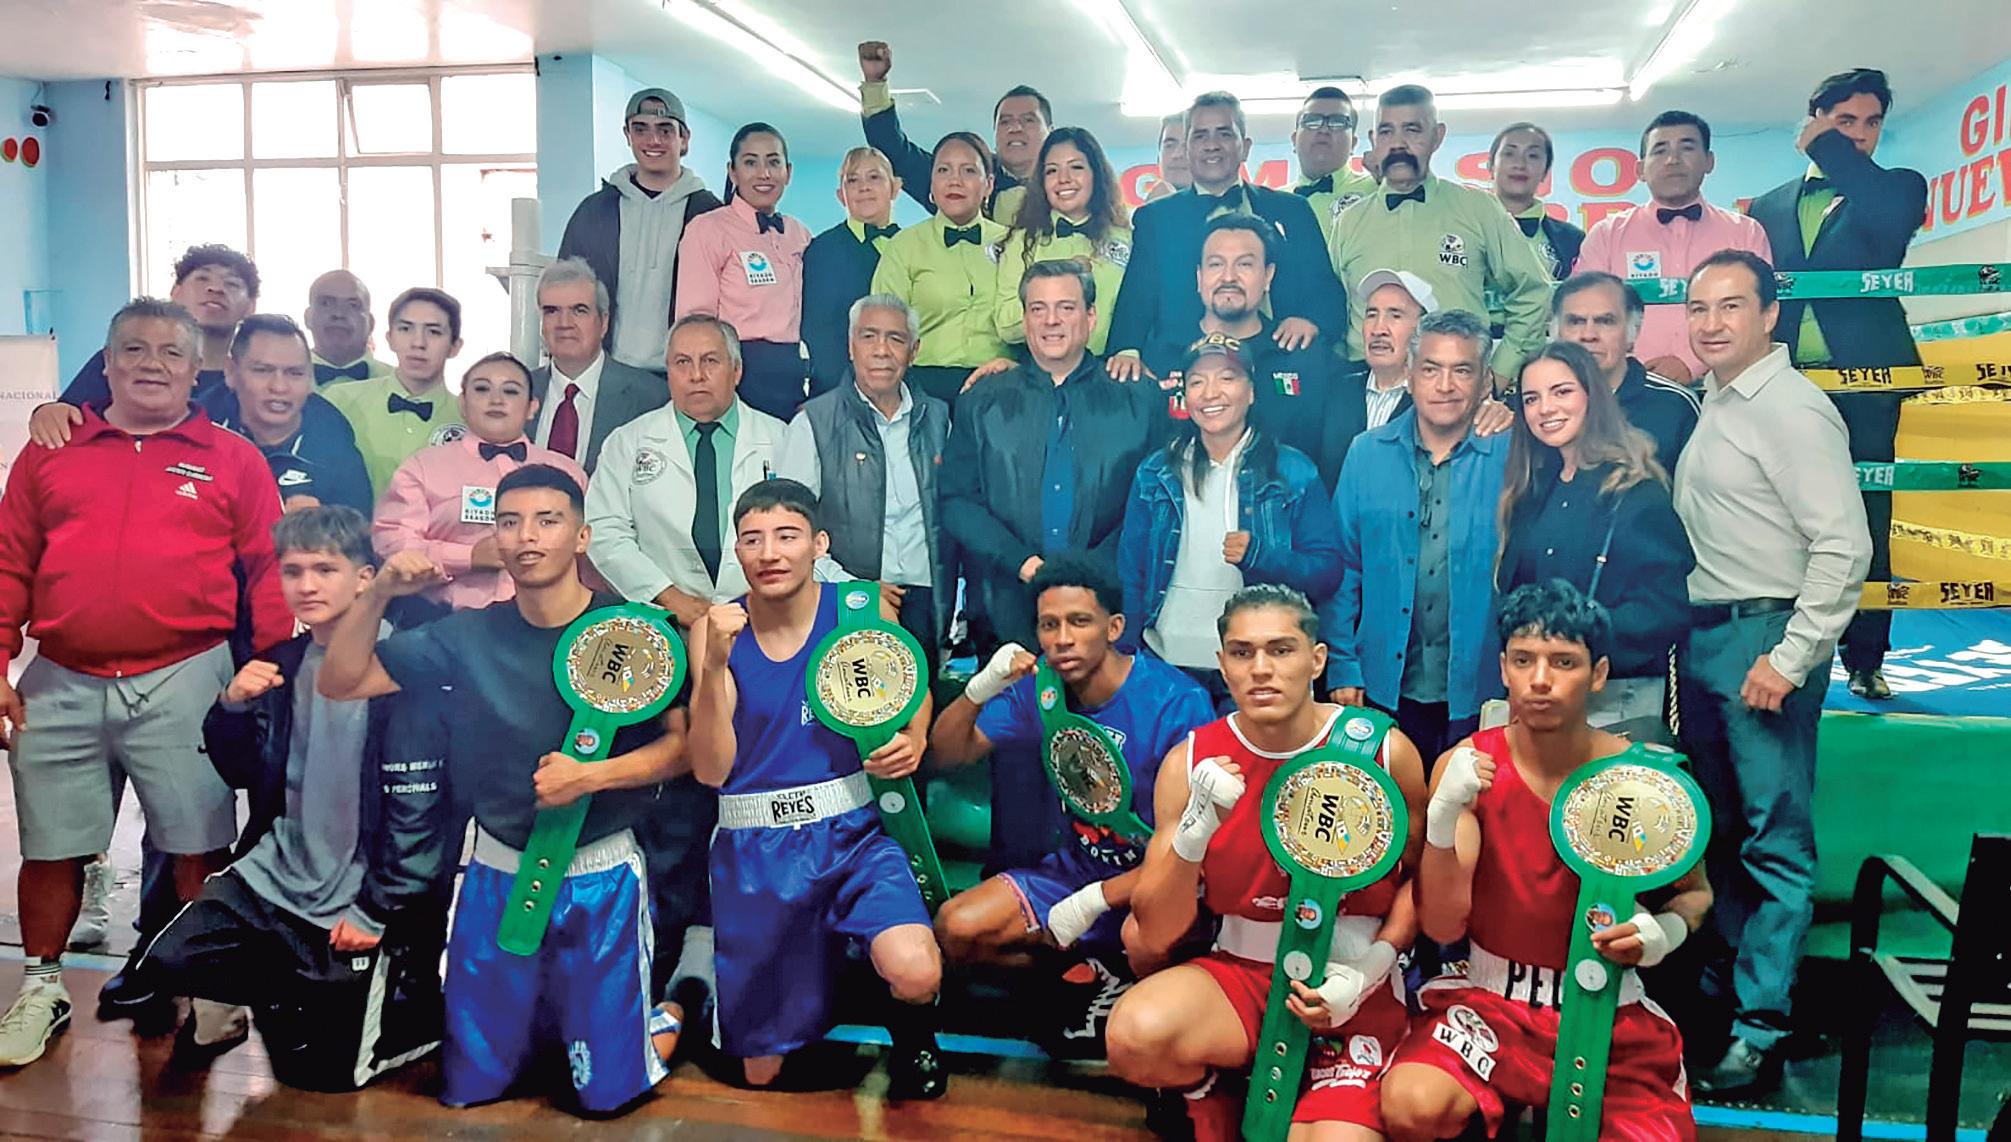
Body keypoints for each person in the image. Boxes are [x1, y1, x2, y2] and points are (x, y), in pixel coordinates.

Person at [316, 464, 688, 1113]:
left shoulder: (633, 632)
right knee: (470, 1089)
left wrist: (592, 775)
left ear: (581, 536)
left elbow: (686, 750)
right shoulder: (468, 634)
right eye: (510, 522)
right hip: (495, 872)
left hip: (602, 874)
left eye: (548, 520)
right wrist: (376, 597)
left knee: (606, 1096)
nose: (527, 537)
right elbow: (341, 681)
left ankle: (673, 1009)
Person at [0, 298, 290, 1068]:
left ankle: (209, 992)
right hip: (61, 676)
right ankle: (42, 987)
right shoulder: (52, 450)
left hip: (187, 673)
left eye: (170, 352)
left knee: (199, 845)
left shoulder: (234, 459)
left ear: (197, 371)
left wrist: (275, 666)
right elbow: (9, 558)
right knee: (51, 847)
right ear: (107, 364)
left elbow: (269, 566)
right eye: (133, 349)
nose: (151, 364)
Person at [1378, 580, 1710, 1142]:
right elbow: (1443, 925)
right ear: (1503, 669)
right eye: (1523, 660)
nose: (1539, 680)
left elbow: (1696, 894)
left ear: (1598, 674)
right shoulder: (1469, 766)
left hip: (1607, 1008)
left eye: (1563, 662)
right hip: (1491, 1005)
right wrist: (1441, 819)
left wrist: (1664, 935)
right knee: (1413, 1104)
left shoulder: (1644, 780)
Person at [1106, 585, 1427, 1142]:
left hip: (1354, 981)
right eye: (1242, 652)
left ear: (1317, 660)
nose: (1260, 669)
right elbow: (1155, 930)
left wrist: (1371, 968)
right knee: (1134, 1035)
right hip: (1244, 971)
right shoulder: (1191, 763)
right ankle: (1215, 1099)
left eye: (1281, 650)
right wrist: (1194, 832)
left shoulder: (1382, 751)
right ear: (1222, 664)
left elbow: (1423, 881)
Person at [136, 507, 443, 1087]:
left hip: (363, 886)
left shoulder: (407, 664)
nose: (306, 585)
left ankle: (396, 1017)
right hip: (277, 870)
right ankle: (297, 993)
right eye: (293, 571)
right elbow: (240, 771)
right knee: (171, 959)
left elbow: (421, 809)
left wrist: (378, 906)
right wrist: (231, 707)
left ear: (365, 579)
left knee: (324, 1077)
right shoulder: (282, 662)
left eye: (325, 569)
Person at [1673, 250, 1869, 1096]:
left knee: (1772, 838)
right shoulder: (1720, 399)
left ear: (1768, 316)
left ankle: (1761, 1026)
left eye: (1729, 306)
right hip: (1710, 637)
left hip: (1763, 637)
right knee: (1722, 829)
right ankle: (1732, 994)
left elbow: (1844, 545)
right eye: (1697, 307)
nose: (1710, 323)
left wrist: (1789, 657)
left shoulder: (1790, 407)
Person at [686, 479, 945, 1098]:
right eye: (752, 539)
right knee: (760, 1075)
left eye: (787, 536)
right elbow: (711, 770)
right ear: (737, 550)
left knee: (915, 967)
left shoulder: (860, 609)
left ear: (818, 544)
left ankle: (914, 1040)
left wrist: (915, 736)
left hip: (854, 833)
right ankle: (697, 999)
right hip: (756, 846)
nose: (769, 553)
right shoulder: (714, 630)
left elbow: (912, 685)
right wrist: (715, 665)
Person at [928, 557, 1212, 1031]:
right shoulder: (1040, 687)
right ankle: (1082, 977)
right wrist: (979, 690)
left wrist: (1093, 902)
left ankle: (1125, 987)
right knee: (957, 929)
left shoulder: (1175, 703)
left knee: (1150, 946)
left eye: (1079, 622)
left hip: (1161, 886)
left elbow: (1190, 856)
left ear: (1113, 627)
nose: (1063, 638)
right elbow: (947, 755)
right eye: (1049, 625)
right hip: (1077, 872)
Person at [1746, 68, 1927, 702]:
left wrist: (1825, 145)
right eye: (1843, 121)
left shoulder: (1899, 188)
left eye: (1871, 123)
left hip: (1870, 381)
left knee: (1868, 514)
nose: (1859, 135)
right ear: (1815, 116)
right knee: (1783, 513)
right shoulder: (1767, 206)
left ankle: (1867, 657)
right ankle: (1782, 649)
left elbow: (1885, 219)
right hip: (1786, 381)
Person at [1320, 309, 1510, 766]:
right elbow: (1343, 568)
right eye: (1430, 369)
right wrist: (1342, 662)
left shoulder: (1514, 455)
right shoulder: (1367, 453)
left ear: (1485, 381)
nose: (1445, 385)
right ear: (1408, 374)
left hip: (1483, 688)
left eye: (1462, 370)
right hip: (1381, 682)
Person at [941, 261, 1161, 654]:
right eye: (1038, 308)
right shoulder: (982, 399)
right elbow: (956, 501)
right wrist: (1021, 562)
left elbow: (1154, 503)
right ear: (1025, 319)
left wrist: (1091, 572)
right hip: (1005, 612)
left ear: (1091, 317)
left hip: (1108, 607)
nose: (1051, 321)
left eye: (1066, 307)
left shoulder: (1140, 398)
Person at [1120, 332, 1345, 706]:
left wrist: (1261, 556)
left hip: (1257, 667)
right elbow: (1131, 572)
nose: (1211, 393)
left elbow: (1327, 572)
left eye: (1227, 378)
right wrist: (1126, 657)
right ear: (1185, 395)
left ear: (1251, 391)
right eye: (1197, 382)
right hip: (1165, 665)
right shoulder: (1155, 471)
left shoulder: (1292, 471)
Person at [1497, 342, 1694, 732]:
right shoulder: (1531, 489)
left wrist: (1578, 636)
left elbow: (1665, 610)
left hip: (1615, 701)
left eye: (1561, 392)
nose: (1545, 408)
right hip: (1538, 696)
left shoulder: (1635, 492)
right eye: (1532, 398)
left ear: (1593, 396)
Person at [1330, 85, 1552, 387]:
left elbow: (1534, 291)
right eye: (1386, 131)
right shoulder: (1349, 221)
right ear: (1373, 140)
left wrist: (1500, 371)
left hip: (1456, 385)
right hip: (1367, 387)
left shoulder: (1478, 209)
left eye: (1412, 130)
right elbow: (1330, 309)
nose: (1398, 144)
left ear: (1437, 136)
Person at [776, 295, 950, 676]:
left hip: (929, 604)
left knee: (926, 710)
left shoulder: (939, 419)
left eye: (896, 339)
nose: (881, 350)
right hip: (846, 600)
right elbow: (789, 531)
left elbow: (955, 518)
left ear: (914, 351)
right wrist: (856, 590)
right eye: (869, 337)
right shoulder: (813, 423)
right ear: (850, 346)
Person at [1108, 92, 1338, 372]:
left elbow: (1325, 290)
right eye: (1200, 136)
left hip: (1278, 365)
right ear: (1187, 148)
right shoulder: (1155, 219)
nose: (1211, 145)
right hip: (1182, 371)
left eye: (1224, 134)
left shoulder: (1293, 210)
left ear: (1246, 147)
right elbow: (1137, 297)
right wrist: (1126, 350)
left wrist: (1311, 320)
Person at [587, 314, 788, 630]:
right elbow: (604, 530)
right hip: (661, 620)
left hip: (765, 618)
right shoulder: (627, 441)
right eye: (682, 362)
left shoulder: (781, 439)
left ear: (736, 370)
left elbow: (802, 533)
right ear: (668, 372)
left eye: (710, 361)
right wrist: (668, 597)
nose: (696, 375)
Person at [1137, 216, 1346, 488]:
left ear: (1268, 276)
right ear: (1199, 277)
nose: (1228, 277)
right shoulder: (1160, 355)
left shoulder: (1302, 355)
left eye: (1244, 264)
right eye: (1216, 264)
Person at [374, 352, 589, 612]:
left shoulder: (567, 472)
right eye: (482, 389)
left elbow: (586, 550)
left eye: (510, 391)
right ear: (463, 403)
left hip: (549, 619)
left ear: (532, 407)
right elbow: (393, 542)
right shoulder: (422, 468)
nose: (496, 400)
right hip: (444, 620)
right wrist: (469, 557)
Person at [1577, 110, 1773, 384]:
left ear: (1709, 161)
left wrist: (1690, 363)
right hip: (1624, 390)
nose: (1673, 160)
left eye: (1687, 148)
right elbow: (1583, 315)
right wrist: (1632, 372)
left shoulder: (1746, 232)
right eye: (1660, 150)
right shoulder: (1606, 235)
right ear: (1640, 170)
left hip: (1727, 386)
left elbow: (1758, 314)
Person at [558, 87, 725, 372]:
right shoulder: (595, 212)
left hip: (684, 373)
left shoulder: (710, 215)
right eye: (641, 129)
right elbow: (565, 291)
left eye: (665, 130)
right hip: (607, 370)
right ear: (627, 135)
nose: (653, 140)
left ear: (684, 138)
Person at [29, 245, 259, 447]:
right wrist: (48, 413)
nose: (216, 289)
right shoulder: (122, 363)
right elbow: (66, 417)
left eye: (232, 284)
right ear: (176, 293)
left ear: (251, 305)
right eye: (202, 279)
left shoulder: (254, 379)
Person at [676, 122, 813, 421]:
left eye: (773, 162)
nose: (764, 174)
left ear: (788, 172)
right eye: (751, 162)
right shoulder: (708, 229)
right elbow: (695, 321)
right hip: (735, 373)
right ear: (732, 171)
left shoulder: (799, 234)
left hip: (792, 375)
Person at [868, 131, 1009, 406]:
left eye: (968, 170)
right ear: (931, 183)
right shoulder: (904, 245)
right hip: (923, 390)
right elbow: (883, 327)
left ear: (989, 185)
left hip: (1000, 387)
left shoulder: (1014, 242)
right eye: (944, 170)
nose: (955, 180)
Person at [857, 39, 1049, 223]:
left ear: (1050, 131)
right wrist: (875, 83)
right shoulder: (962, 177)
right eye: (1005, 122)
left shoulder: (1064, 182)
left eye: (1028, 120)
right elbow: (895, 153)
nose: (1015, 128)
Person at [209, 313, 374, 515]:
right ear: (231, 372)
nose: (279, 387)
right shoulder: (197, 429)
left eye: (295, 373)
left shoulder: (337, 451)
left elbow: (356, 530)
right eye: (263, 370)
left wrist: (315, 526)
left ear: (310, 378)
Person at [995, 126, 1133, 357]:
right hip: (1043, 370)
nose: (1063, 179)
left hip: (1111, 367)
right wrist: (1052, 288)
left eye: (1076, 167)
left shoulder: (1126, 240)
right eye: (1052, 171)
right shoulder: (1021, 242)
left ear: (1096, 174)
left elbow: (1140, 312)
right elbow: (1005, 326)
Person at [527, 257, 668, 476]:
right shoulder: (518, 391)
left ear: (603, 323)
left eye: (579, 310)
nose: (564, 323)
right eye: (552, 311)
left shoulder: (651, 398)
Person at [1550, 271, 1701, 475]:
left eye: (1605, 321)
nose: (1588, 335)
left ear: (1633, 331)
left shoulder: (1675, 405)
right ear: (1556, 331)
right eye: (1576, 322)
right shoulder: (1536, 403)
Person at [322, 287, 467, 500]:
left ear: (455, 346)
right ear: (389, 338)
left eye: (434, 332)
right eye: (405, 329)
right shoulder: (340, 400)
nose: (418, 343)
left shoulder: (469, 418)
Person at [804, 147, 903, 397]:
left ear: (895, 188)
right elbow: (818, 331)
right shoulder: (822, 250)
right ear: (841, 195)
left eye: (874, 177)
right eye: (852, 180)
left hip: (902, 389)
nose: (864, 187)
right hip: (838, 390)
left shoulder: (912, 247)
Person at [1488, 122, 1583, 283]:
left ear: (1545, 172)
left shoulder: (1572, 239)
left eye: (1533, 156)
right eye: (1509, 154)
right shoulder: (1462, 227)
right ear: (1491, 166)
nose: (1520, 164)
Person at [1291, 86, 1379, 243]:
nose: (1324, 130)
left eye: (1338, 122)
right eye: (1312, 121)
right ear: (1294, 140)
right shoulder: (1269, 202)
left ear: (1353, 143)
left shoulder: (1379, 191)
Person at [304, 269, 394, 386]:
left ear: (371, 323)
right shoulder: (283, 381)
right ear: (307, 317)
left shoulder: (404, 385)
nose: (339, 314)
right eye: (326, 303)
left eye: (353, 305)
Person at [1144, 112, 1191, 203]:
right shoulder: (1145, 209)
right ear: (1158, 159)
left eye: (1188, 146)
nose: (1177, 154)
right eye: (1169, 146)